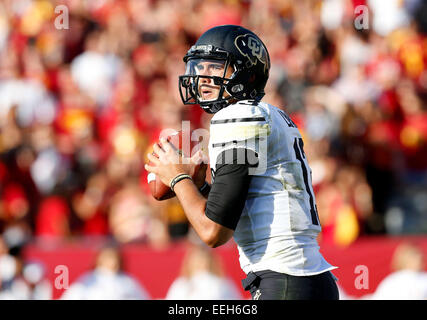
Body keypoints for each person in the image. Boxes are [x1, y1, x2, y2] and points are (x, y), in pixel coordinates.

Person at [145, 25, 339, 300]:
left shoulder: (237, 117)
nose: (202, 77)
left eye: (214, 67)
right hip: (307, 279)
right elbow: (242, 211)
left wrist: (178, 178)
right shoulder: (271, 114)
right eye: (200, 67)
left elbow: (214, 232)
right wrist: (200, 188)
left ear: (245, 72)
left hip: (284, 279)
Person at [61, 246, 150, 300]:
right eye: (108, 257)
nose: (113, 261)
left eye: (115, 257)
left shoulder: (128, 281)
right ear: (99, 259)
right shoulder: (89, 280)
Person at [165, 243, 242, 300]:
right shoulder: (181, 284)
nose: (200, 264)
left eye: (203, 260)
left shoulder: (222, 283)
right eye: (196, 260)